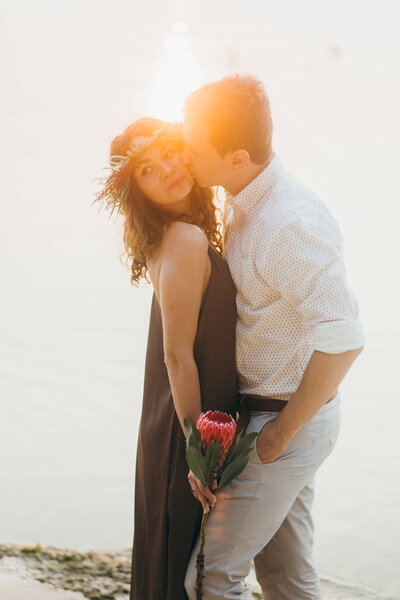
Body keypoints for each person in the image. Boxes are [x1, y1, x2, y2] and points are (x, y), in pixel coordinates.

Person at [182, 74, 365, 600]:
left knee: (213, 578)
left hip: (285, 421)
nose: (189, 158)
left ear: (237, 157)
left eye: (196, 150)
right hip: (273, 417)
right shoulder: (247, 196)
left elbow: (345, 334)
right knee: (286, 579)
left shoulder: (286, 223)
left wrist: (281, 434)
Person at [94, 117, 240, 600]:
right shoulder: (185, 238)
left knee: (178, 561)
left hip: (174, 417)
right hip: (189, 424)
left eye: (171, 153)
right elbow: (176, 357)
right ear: (138, 193)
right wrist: (197, 452)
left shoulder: (180, 234)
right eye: (148, 171)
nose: (168, 170)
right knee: (188, 564)